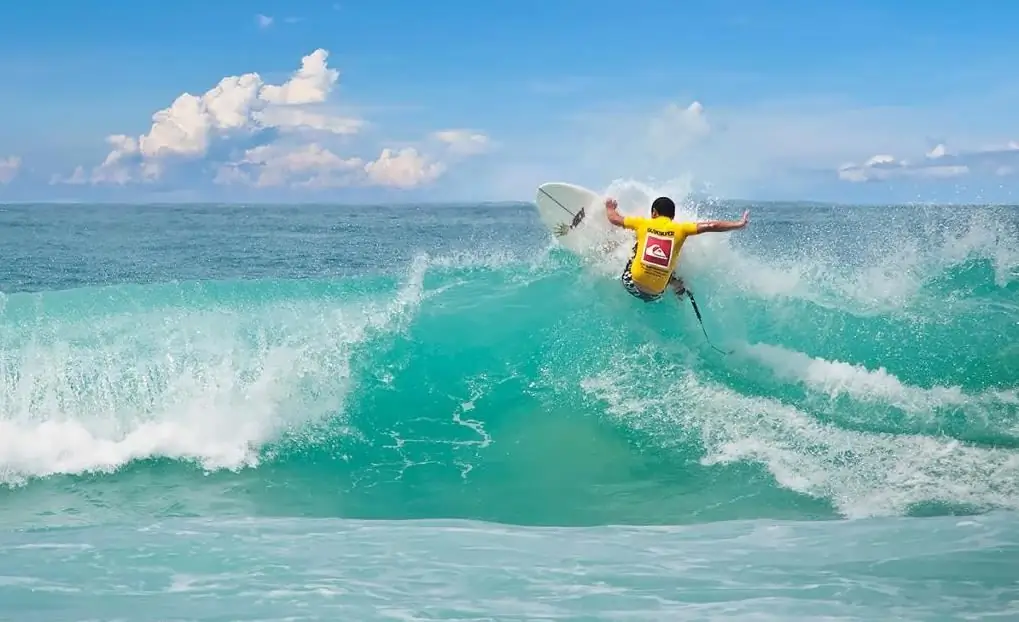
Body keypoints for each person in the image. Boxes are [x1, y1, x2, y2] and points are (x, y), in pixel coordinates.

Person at [604, 196, 749, 303]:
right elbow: (712, 226)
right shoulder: (681, 228)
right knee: (672, 257)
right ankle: (677, 286)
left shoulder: (642, 223)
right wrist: (738, 224)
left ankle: (608, 251)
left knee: (637, 244)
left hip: (632, 285)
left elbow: (614, 219)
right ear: (673, 216)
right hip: (656, 294)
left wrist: (610, 208)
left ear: (654, 212)